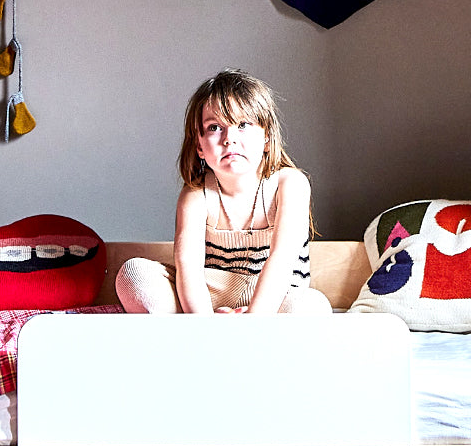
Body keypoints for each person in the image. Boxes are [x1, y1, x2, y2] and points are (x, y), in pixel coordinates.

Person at [116, 69, 333, 315]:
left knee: (313, 306)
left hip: (273, 296)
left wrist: (254, 317)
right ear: (199, 145)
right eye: (214, 127)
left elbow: (282, 261)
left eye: (243, 125)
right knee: (133, 274)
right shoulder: (196, 195)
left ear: (267, 137)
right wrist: (206, 323)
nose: (229, 139)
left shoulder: (289, 184)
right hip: (211, 297)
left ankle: (252, 336)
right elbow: (189, 268)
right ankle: (197, 335)